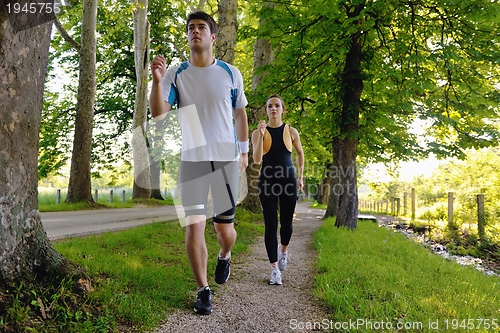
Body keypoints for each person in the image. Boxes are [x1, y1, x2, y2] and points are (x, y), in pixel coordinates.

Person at [149, 11, 249, 315]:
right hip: (192, 159)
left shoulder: (231, 73)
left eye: (202, 27)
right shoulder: (176, 73)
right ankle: (203, 290)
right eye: (191, 28)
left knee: (223, 230)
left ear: (213, 37)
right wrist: (156, 81)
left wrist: (243, 152)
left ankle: (225, 254)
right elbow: (159, 113)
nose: (195, 31)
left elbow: (241, 114)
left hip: (224, 160)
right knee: (193, 229)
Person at [251, 94, 304, 285]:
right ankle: (274, 269)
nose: (273, 108)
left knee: (287, 223)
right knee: (271, 224)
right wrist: (262, 134)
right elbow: (257, 159)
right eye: (269, 106)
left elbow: (299, 153)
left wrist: (301, 176)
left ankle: (283, 251)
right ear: (266, 110)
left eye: (277, 105)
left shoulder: (291, 131)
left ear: (283, 109)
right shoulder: (258, 132)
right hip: (267, 181)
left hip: (288, 180)